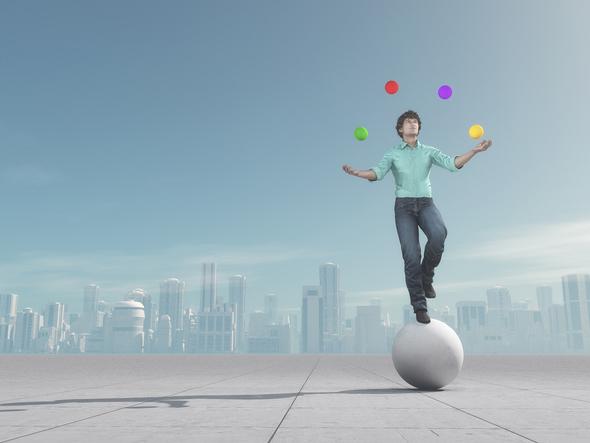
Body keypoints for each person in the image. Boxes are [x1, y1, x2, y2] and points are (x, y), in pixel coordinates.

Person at [342, 110, 492, 324]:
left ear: (418, 128)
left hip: (425, 204)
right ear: (400, 130)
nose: (412, 124)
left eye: (415, 122)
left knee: (439, 234)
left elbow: (452, 163)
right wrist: (358, 173)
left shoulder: (429, 151)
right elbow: (378, 172)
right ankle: (419, 306)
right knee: (411, 255)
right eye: (407, 122)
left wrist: (474, 151)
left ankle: (426, 276)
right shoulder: (393, 153)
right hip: (403, 208)